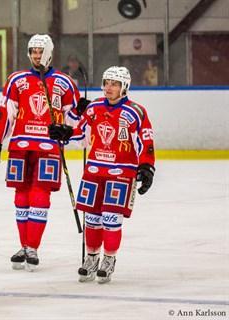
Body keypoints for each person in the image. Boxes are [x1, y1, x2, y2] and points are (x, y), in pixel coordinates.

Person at [0, 34, 84, 271]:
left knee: (40, 194)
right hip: (20, 145)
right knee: (21, 195)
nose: (36, 56)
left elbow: (73, 120)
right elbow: (6, 114)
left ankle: (32, 247)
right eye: (33, 51)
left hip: (48, 147)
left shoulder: (64, 82)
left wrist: (71, 126)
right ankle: (24, 245)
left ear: (49, 52)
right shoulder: (16, 80)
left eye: (40, 51)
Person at [48, 66, 155, 283]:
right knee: (93, 220)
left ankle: (109, 259)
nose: (108, 87)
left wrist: (146, 166)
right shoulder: (94, 106)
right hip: (94, 171)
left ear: (124, 87)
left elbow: (147, 141)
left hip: (121, 172)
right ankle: (92, 257)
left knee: (111, 218)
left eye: (114, 84)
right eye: (106, 82)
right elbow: (80, 133)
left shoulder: (136, 111)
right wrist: (65, 132)